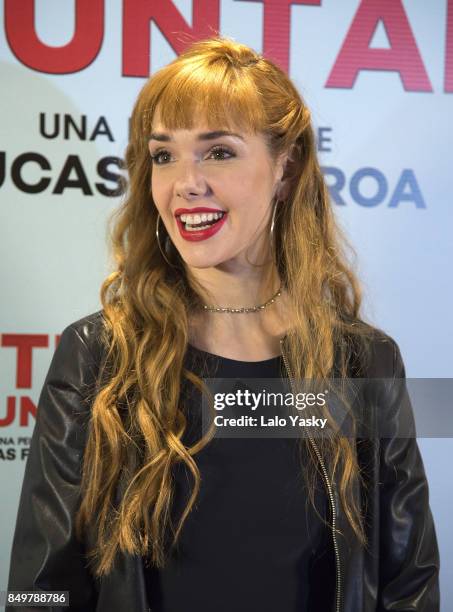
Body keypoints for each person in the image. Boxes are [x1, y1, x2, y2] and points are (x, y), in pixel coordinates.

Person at [7, 36, 439, 612]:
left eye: (218, 152)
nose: (186, 182)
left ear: (286, 169)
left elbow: (408, 584)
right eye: (164, 155)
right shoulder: (97, 353)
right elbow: (40, 593)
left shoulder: (364, 362)